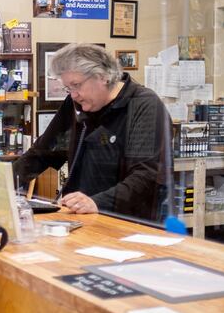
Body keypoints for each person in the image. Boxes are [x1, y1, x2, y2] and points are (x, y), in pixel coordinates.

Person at [13, 43, 171, 222]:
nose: (73, 95)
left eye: (76, 85)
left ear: (102, 76)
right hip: (82, 219)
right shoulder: (76, 105)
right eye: (68, 88)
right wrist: (2, 182)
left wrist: (97, 202)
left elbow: (147, 176)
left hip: (127, 223)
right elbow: (43, 152)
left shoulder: (144, 106)